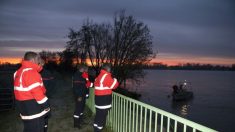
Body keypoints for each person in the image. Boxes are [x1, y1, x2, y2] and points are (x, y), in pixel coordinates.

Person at [14, 51, 50, 132]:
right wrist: (47, 106)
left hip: (24, 109)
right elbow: (38, 93)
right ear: (34, 59)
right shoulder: (30, 72)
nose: (39, 61)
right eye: (38, 59)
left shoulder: (18, 72)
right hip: (34, 110)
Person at [93, 63, 119, 132]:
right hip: (103, 102)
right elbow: (114, 85)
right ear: (108, 69)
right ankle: (98, 130)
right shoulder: (106, 76)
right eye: (110, 69)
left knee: (98, 116)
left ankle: (95, 129)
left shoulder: (99, 76)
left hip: (98, 101)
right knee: (102, 119)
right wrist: (115, 78)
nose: (111, 70)